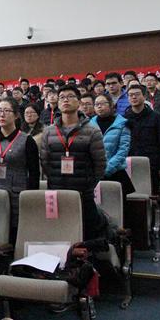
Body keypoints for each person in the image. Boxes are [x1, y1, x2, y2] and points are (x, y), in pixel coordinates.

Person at [41, 85, 107, 240]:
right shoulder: (49, 131)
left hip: (83, 194)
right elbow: (45, 162)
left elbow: (100, 164)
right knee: (59, 237)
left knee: (86, 238)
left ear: (79, 102)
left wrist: (88, 184)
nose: (66, 100)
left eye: (70, 96)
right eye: (62, 97)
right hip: (57, 193)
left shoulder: (92, 131)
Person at [0, 98, 40, 242]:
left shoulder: (27, 140)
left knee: (14, 235)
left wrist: (30, 198)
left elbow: (34, 173)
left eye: (6, 111)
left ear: (16, 115)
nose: (2, 114)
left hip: (17, 196)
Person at [89, 94, 135, 204]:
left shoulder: (122, 124)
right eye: (96, 104)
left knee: (118, 208)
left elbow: (123, 151)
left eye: (102, 103)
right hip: (94, 174)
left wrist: (107, 169)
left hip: (116, 173)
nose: (99, 106)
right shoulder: (89, 124)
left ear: (111, 105)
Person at [124, 84, 160, 196]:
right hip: (130, 163)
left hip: (151, 164)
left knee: (153, 196)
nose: (134, 97)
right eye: (130, 95)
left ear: (144, 97)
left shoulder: (155, 117)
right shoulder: (124, 119)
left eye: (137, 94)